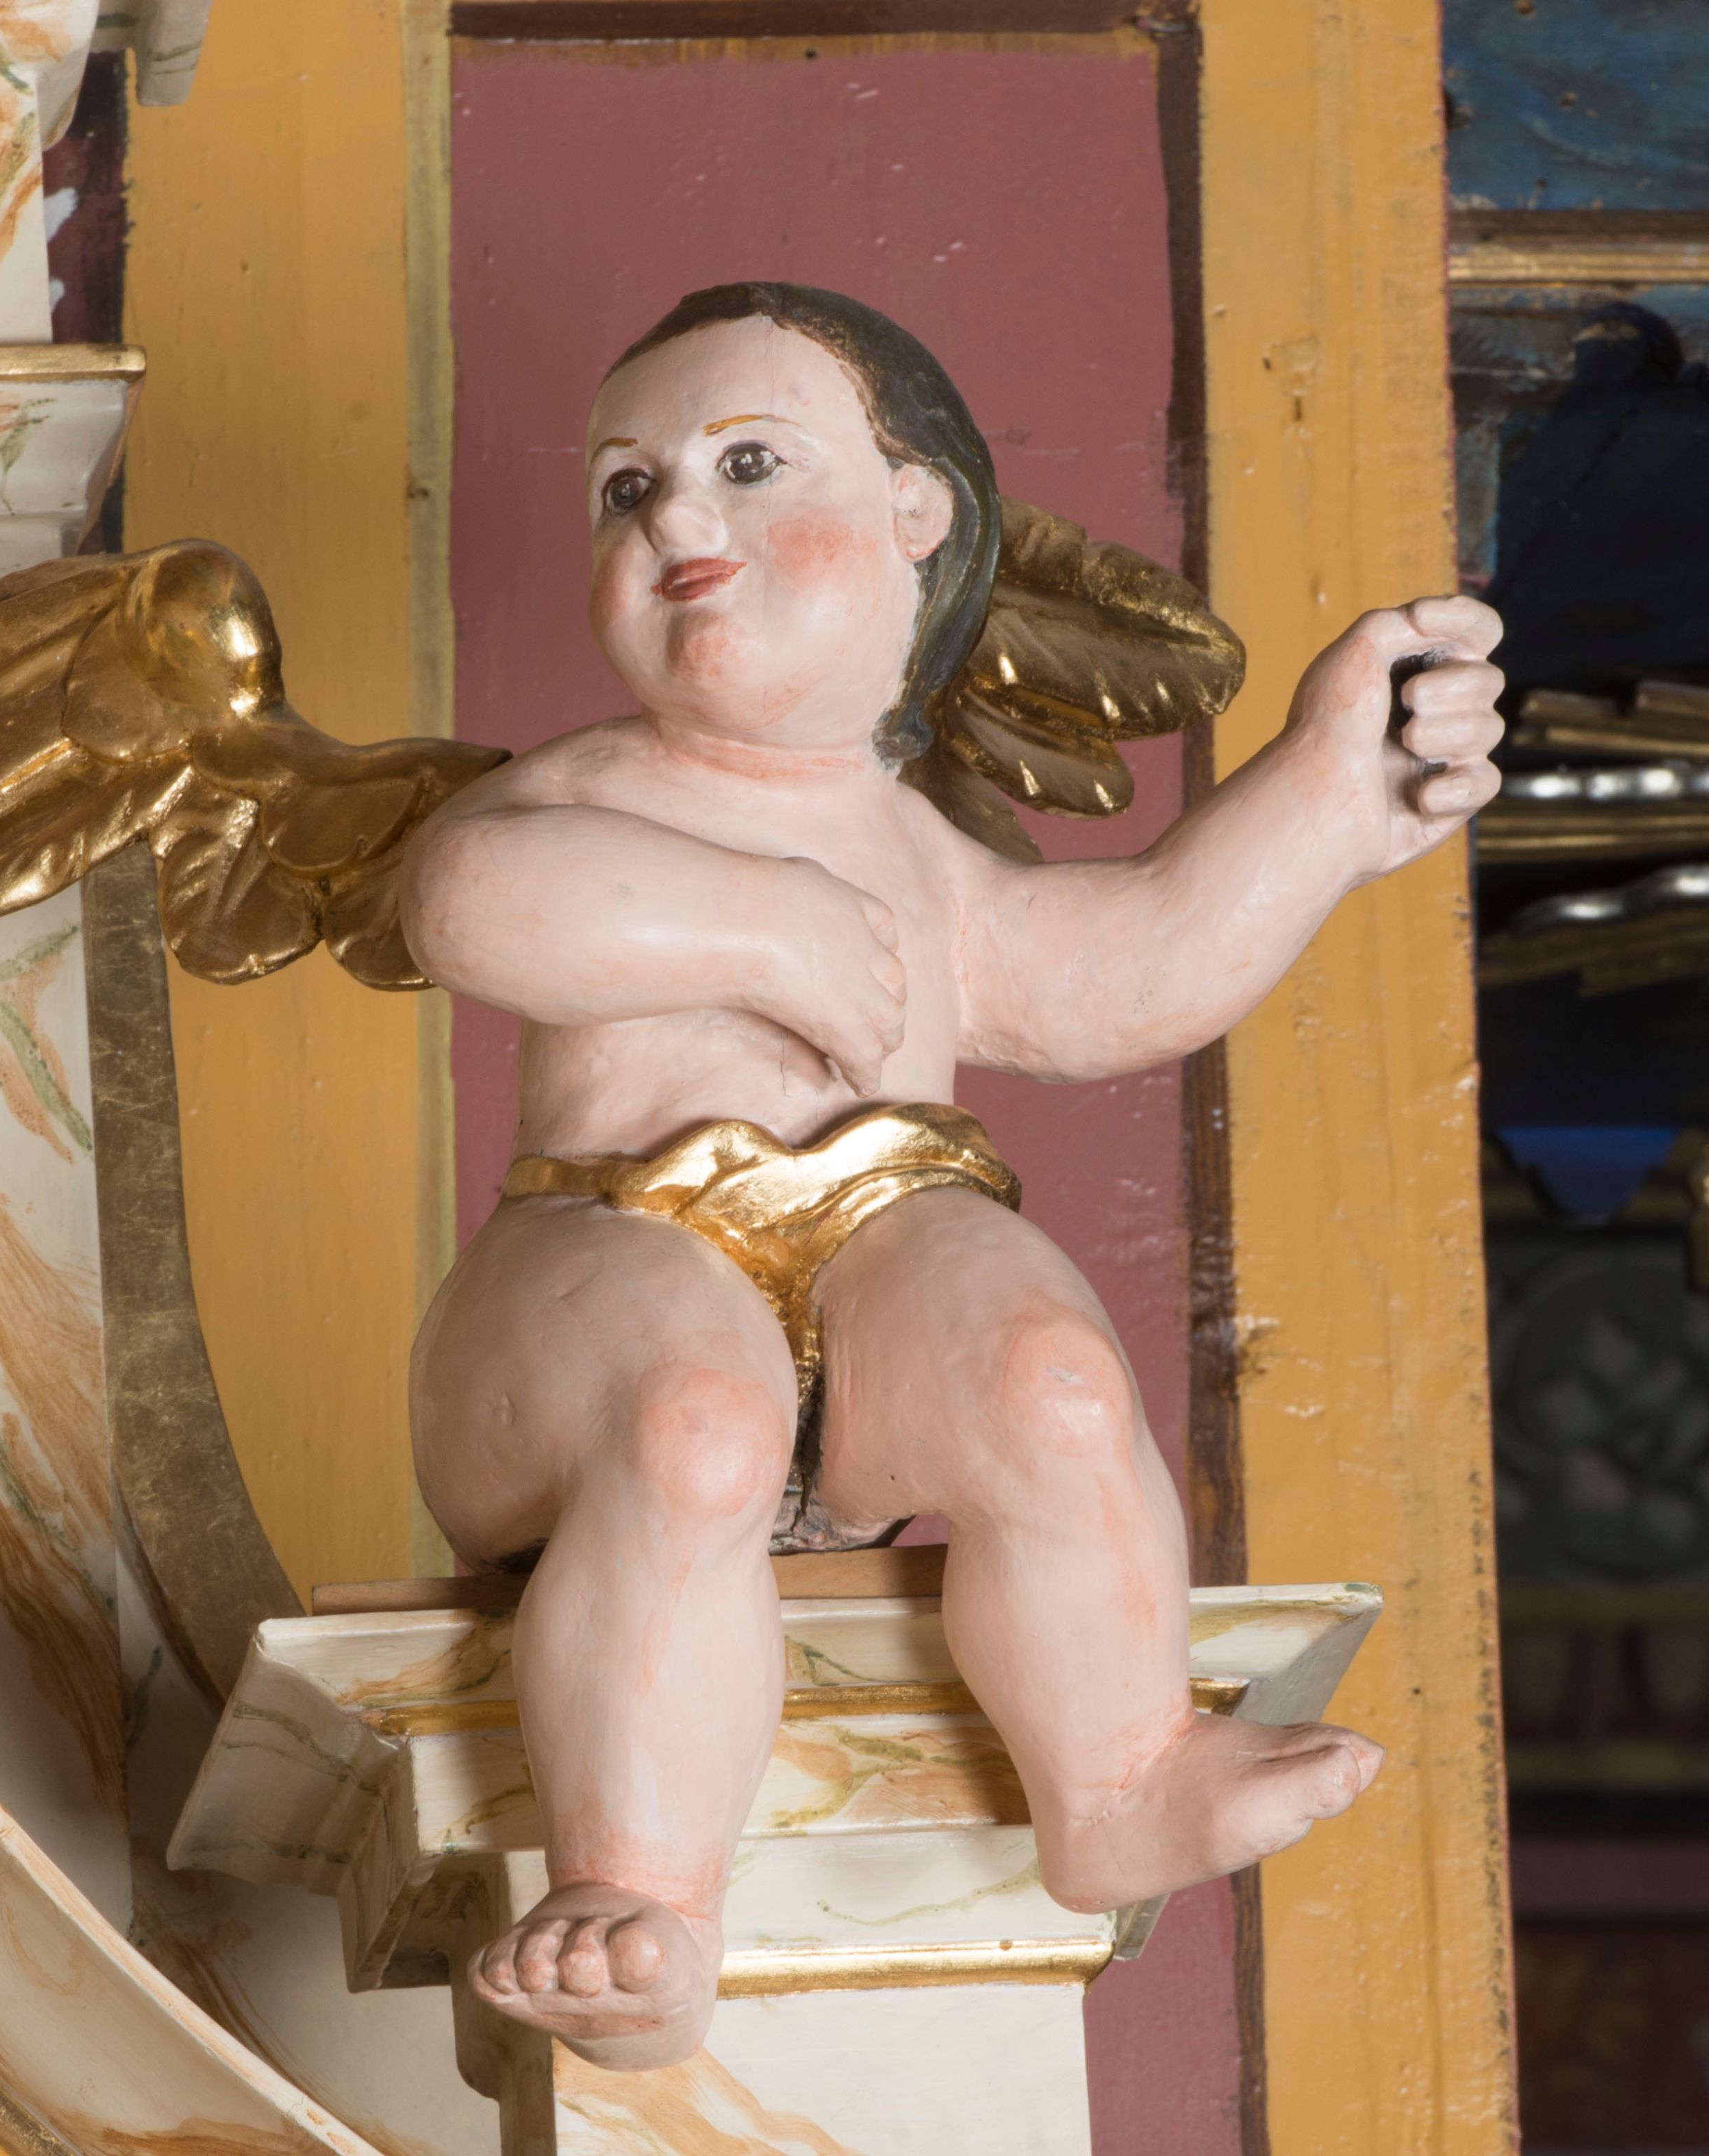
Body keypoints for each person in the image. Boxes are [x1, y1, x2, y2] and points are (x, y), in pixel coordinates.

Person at [400, 283, 1504, 2071]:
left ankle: (1120, 1775)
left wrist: (1327, 793)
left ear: (917, 513)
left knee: (1049, 1382)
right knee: (692, 1425)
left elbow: (1125, 970)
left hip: (875, 1252)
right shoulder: (582, 792)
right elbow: (476, 909)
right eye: (627, 487)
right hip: (593, 1268)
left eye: (750, 464)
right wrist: (758, 920)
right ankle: (642, 1901)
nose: (676, 516)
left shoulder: (920, 852)